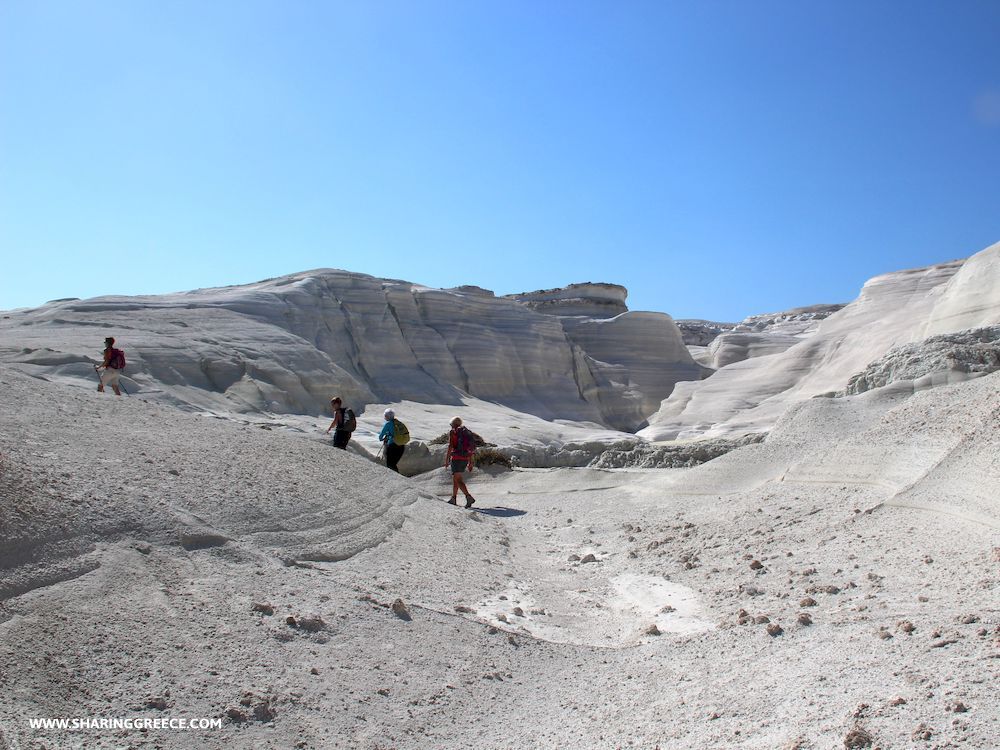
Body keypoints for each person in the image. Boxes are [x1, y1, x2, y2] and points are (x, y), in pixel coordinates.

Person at [445, 416, 476, 507]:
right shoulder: (466, 432)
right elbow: (469, 448)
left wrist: (447, 460)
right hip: (465, 458)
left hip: (456, 458)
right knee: (456, 479)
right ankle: (453, 498)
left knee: (458, 479)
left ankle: (468, 497)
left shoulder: (453, 432)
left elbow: (450, 446)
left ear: (452, 424)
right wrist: (470, 462)